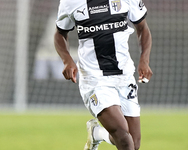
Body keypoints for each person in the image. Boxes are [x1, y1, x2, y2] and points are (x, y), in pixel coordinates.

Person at [54, 0, 152, 149]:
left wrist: (144, 60)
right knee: (124, 139)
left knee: (134, 142)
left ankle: (96, 133)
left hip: (125, 76)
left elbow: (142, 27)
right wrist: (67, 60)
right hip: (94, 78)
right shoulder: (70, 2)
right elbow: (60, 33)